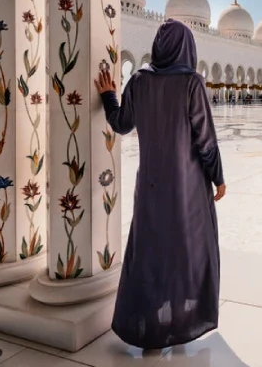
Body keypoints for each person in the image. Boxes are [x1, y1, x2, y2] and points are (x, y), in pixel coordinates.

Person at [95, 19, 226, 350]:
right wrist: (218, 176)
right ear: (187, 48)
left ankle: (148, 327)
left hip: (151, 186)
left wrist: (109, 95)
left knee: (152, 251)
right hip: (189, 187)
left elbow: (121, 123)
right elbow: (205, 139)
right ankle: (183, 323)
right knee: (188, 250)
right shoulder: (192, 83)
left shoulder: (139, 80)